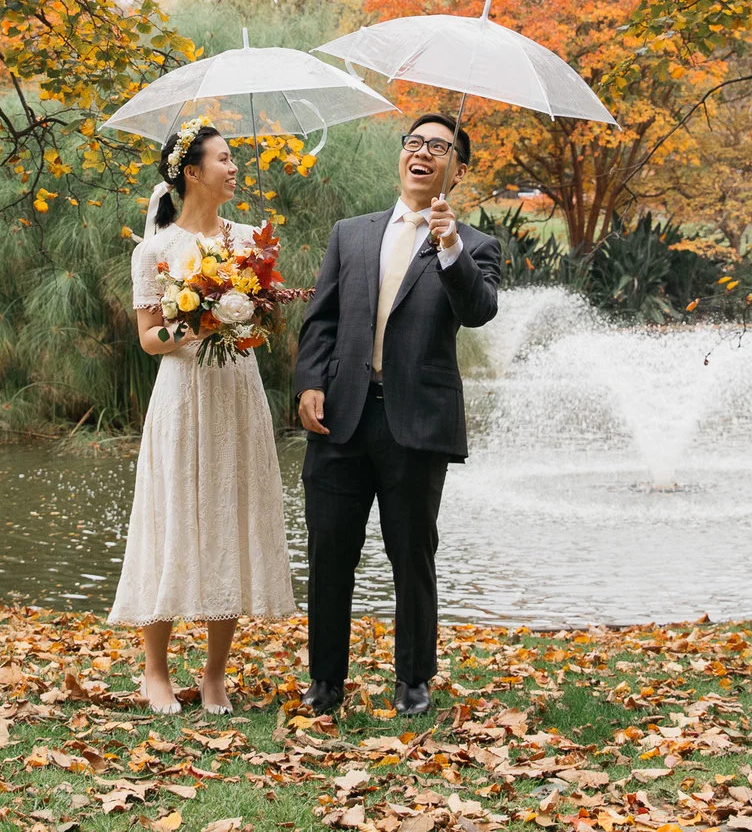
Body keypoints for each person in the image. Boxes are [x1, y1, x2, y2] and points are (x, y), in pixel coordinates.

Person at [292, 112, 502, 716]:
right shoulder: (351, 233)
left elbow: (479, 311)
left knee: (412, 553)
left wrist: (450, 247)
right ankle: (325, 681)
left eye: (441, 148)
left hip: (416, 422)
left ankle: (414, 679)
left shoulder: (476, 246)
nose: (424, 153)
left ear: (457, 170)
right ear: (402, 157)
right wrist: (309, 381)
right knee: (330, 552)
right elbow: (322, 318)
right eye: (415, 143)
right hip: (341, 417)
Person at [107, 117, 295, 714]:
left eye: (232, 157)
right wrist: (198, 318)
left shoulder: (247, 240)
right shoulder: (155, 252)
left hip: (238, 391)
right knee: (171, 518)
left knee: (228, 518)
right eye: (223, 158)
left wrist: (252, 313)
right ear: (192, 172)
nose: (233, 167)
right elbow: (148, 339)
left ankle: (215, 673)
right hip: (183, 394)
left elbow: (265, 320)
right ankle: (155, 671)